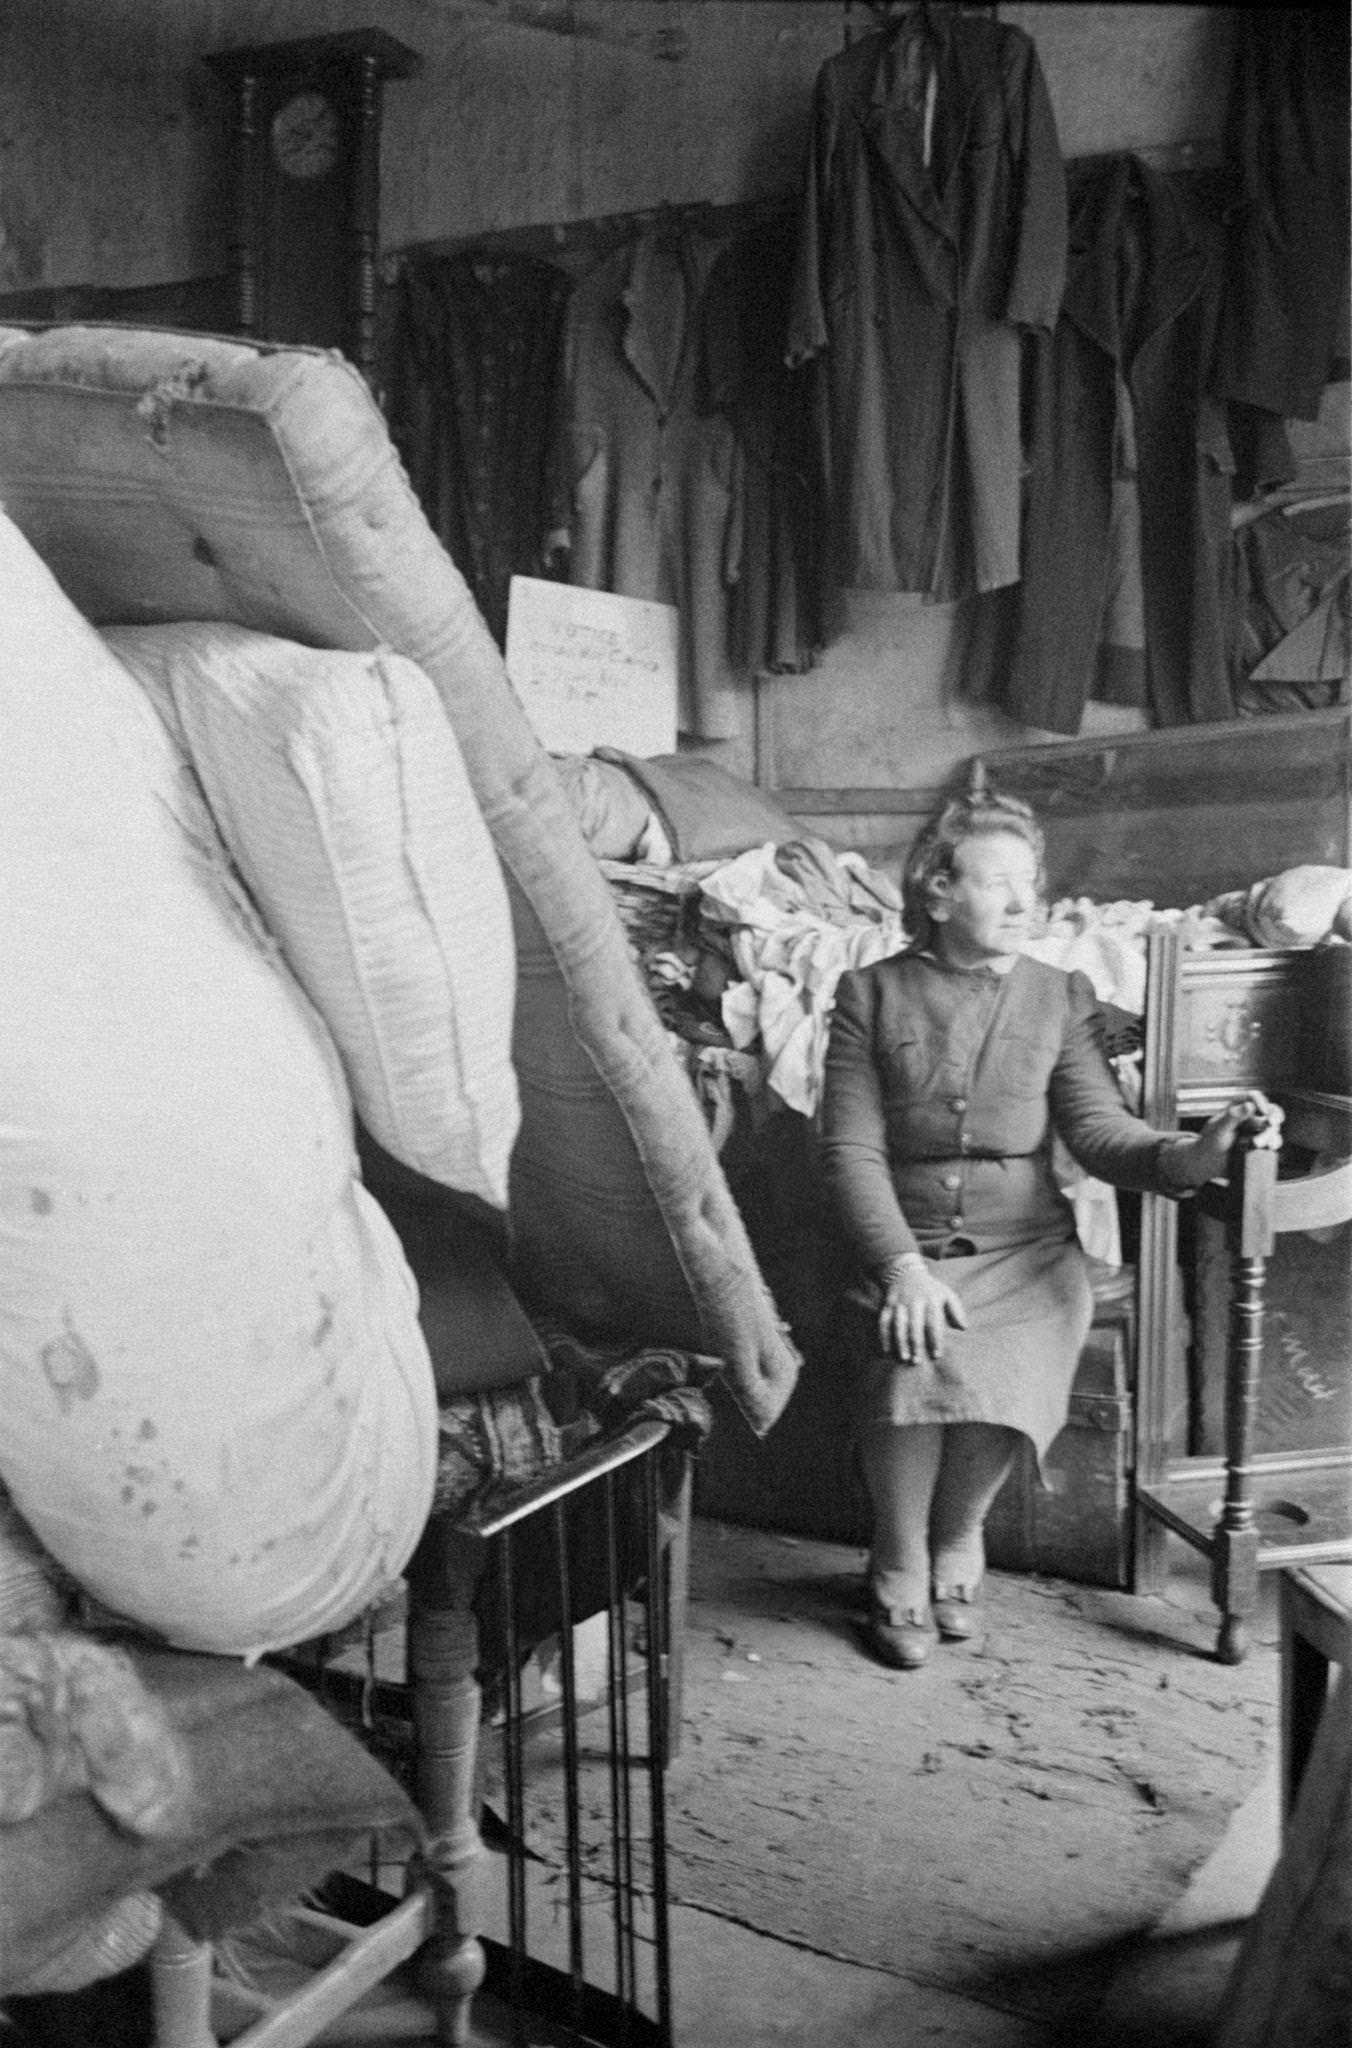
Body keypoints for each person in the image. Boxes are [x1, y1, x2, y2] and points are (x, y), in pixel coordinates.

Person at [819, 790, 1281, 1670]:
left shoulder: (1061, 996)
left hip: (1027, 1248)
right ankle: (898, 1557)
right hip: (906, 1241)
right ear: (939, 892)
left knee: (1025, 1335)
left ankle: (959, 1539)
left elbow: (1102, 1134)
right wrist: (901, 1265)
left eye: (1029, 882)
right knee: (910, 1339)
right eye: (998, 885)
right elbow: (847, 1151)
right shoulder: (867, 995)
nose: (1025, 903)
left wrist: (1200, 1149)